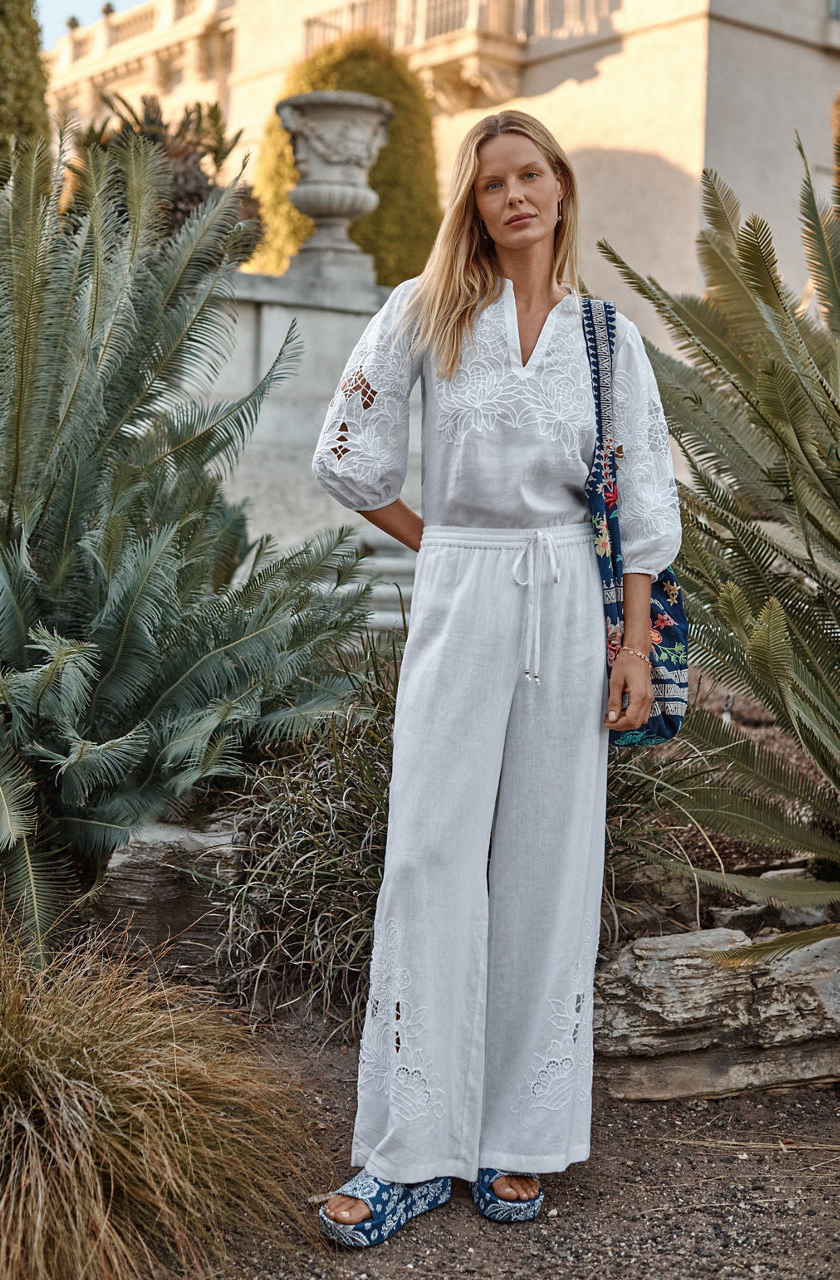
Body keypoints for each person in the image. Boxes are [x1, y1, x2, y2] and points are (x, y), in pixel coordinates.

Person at [310, 109, 682, 1248]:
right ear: (471, 206)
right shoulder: (424, 313)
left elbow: (645, 507)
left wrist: (631, 646)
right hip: (462, 592)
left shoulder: (606, 338)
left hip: (571, 603)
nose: (513, 196)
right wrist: (442, 545)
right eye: (490, 184)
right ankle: (407, 1152)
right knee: (428, 852)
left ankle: (516, 1135)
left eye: (529, 175)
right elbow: (344, 455)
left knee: (548, 864)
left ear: (560, 187)